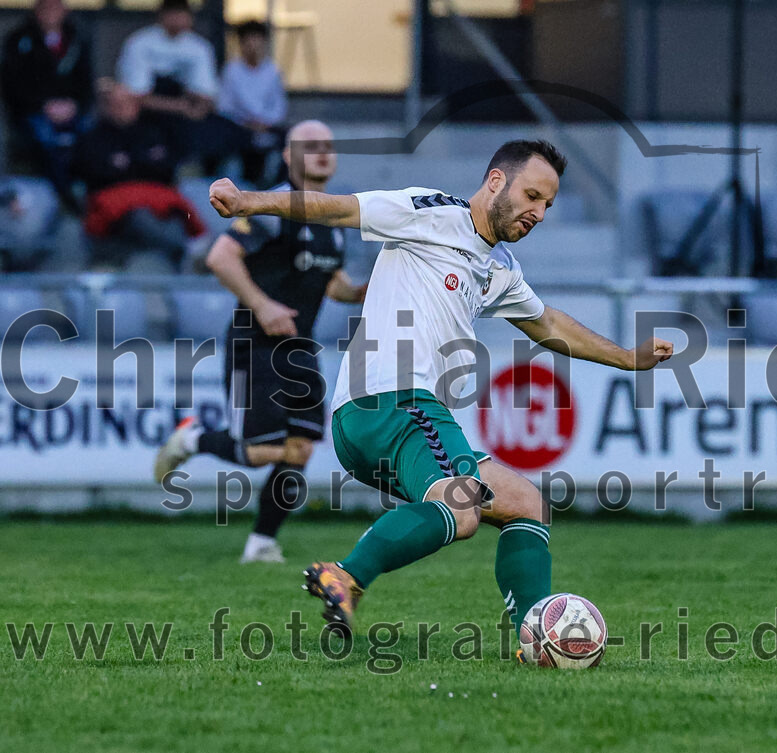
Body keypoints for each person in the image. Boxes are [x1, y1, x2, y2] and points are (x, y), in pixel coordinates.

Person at [202, 140, 674, 640]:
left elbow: (546, 322)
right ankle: (347, 574)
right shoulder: (428, 211)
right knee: (462, 506)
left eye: (548, 205)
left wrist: (626, 357)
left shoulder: (500, 268)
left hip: (393, 420)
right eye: (532, 195)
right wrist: (250, 200)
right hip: (393, 401)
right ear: (497, 181)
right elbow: (340, 208)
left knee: (525, 504)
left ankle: (534, 630)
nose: (538, 213)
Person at [153, 120, 367, 563]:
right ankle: (192, 439)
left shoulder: (335, 217)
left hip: (300, 348)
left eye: (328, 145)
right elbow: (220, 257)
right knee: (261, 451)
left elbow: (333, 284)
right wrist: (263, 305)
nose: (322, 152)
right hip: (258, 344)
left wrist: (366, 291)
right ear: (288, 157)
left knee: (300, 449)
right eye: (309, 145)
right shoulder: (273, 208)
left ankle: (261, 543)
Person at [74, 80, 203, 269]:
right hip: (115, 210)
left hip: (158, 202)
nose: (121, 109)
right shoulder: (94, 137)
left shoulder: (153, 133)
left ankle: (188, 252)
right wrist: (142, 163)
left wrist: (129, 164)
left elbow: (165, 169)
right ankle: (184, 250)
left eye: (126, 103)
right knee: (140, 217)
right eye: (115, 104)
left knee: (178, 215)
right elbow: (96, 172)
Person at [0, 0, 93, 207]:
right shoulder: (18, 40)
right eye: (46, 8)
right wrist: (43, 105)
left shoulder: (77, 38)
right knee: (47, 139)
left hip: (71, 109)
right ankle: (65, 193)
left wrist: (73, 105)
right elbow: (12, 84)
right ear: (36, 11)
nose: (51, 13)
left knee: (91, 136)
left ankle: (89, 192)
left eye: (56, 8)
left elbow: (86, 83)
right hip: (33, 110)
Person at [115, 0, 224, 166]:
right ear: (162, 15)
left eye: (182, 14)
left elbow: (206, 95)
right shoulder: (140, 43)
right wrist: (181, 107)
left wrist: (197, 108)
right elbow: (136, 97)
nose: (177, 19)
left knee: (218, 133)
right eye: (173, 13)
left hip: (186, 119)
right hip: (146, 117)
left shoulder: (199, 47)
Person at [216, 20, 287, 185]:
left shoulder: (273, 71)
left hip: (267, 126)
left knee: (292, 138)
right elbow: (224, 106)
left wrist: (265, 122)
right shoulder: (231, 70)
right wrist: (247, 122)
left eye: (257, 40)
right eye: (248, 41)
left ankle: (280, 186)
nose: (253, 45)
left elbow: (279, 107)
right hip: (239, 126)